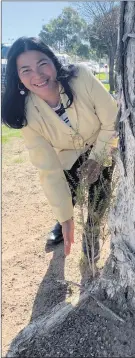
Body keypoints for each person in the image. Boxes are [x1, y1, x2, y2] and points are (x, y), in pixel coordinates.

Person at [1, 37, 118, 256]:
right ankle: (62, 222)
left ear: (53, 61)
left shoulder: (81, 77)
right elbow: (47, 168)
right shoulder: (26, 113)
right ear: (17, 76)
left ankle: (92, 231)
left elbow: (112, 120)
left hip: (102, 142)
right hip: (68, 153)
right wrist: (64, 216)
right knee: (68, 189)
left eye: (42, 63)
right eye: (25, 70)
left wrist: (97, 158)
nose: (37, 75)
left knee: (99, 192)